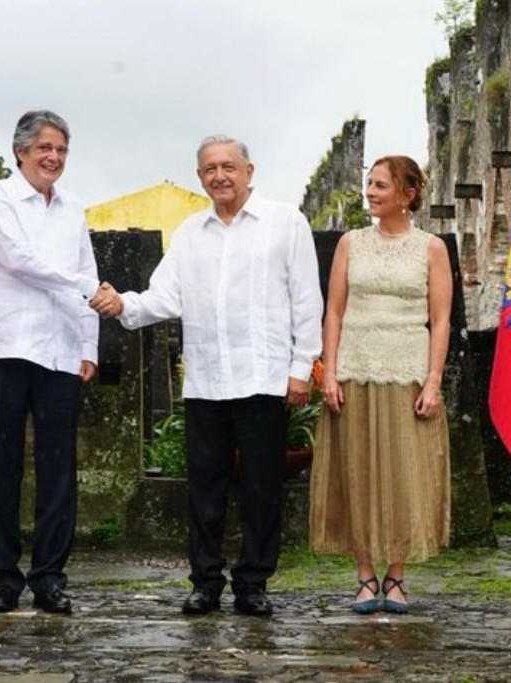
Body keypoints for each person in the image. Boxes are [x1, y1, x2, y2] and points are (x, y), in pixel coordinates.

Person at [91, 135, 323, 617]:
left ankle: (254, 582)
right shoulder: (190, 233)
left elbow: (306, 301)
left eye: (228, 167)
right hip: (207, 381)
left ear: (249, 171)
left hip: (264, 378)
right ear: (200, 177)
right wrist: (122, 304)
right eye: (210, 169)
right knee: (205, 489)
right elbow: (163, 296)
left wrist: (302, 369)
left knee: (262, 489)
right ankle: (206, 582)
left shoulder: (285, 223)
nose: (220, 176)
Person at [309, 155, 452, 614]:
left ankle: (397, 574)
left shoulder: (431, 248)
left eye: (381, 185)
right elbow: (333, 311)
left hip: (407, 371)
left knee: (402, 474)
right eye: (369, 183)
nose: (370, 192)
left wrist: (433, 380)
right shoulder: (351, 243)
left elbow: (441, 318)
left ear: (407, 195)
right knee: (358, 471)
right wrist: (328, 371)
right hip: (355, 369)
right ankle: (364, 575)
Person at [0, 110, 100, 615]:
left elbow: (87, 269)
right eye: (44, 148)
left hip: (61, 349)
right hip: (8, 346)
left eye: (62, 150)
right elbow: (18, 259)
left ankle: (49, 575)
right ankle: (4, 577)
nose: (53, 158)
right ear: (21, 150)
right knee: (4, 465)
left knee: (59, 469)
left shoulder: (73, 208)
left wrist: (89, 346)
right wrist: (83, 287)